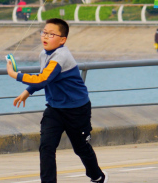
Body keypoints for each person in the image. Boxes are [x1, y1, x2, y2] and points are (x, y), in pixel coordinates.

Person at [7, 18, 108, 183]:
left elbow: (43, 79)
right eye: (44, 32)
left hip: (77, 110)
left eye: (51, 34)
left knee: (81, 148)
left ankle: (97, 176)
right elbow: (45, 78)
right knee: (46, 147)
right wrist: (28, 91)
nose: (45, 37)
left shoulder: (61, 56)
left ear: (63, 40)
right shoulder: (43, 54)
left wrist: (14, 75)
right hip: (54, 109)